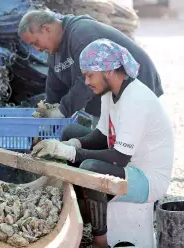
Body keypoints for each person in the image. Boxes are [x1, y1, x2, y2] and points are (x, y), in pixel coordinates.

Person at [31, 39, 174, 248]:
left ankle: (101, 241)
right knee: (72, 131)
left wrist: (70, 152)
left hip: (148, 178)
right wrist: (74, 143)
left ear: (108, 71)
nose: (86, 82)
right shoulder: (111, 92)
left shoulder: (136, 100)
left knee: (91, 170)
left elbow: (119, 157)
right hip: (129, 165)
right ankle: (82, 210)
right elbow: (101, 135)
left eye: (90, 75)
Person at [18, 10, 163, 127]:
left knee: (126, 149)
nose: (37, 49)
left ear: (46, 29)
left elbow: (89, 80)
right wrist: (48, 111)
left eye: (35, 42)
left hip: (135, 86)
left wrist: (62, 110)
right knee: (99, 139)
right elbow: (55, 87)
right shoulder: (54, 51)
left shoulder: (82, 33)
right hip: (107, 98)